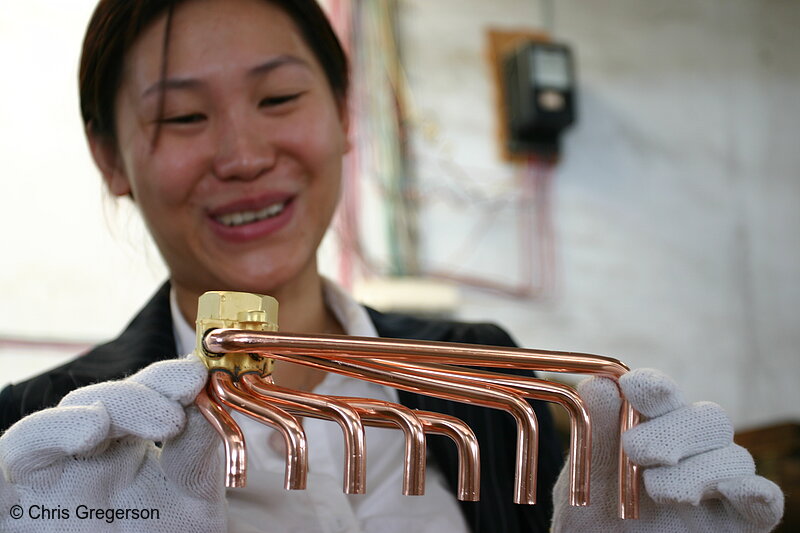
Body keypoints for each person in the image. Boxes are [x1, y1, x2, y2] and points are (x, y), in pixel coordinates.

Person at [0, 1, 784, 532]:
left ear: (342, 114)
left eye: (278, 99)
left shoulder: (482, 374)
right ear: (111, 157)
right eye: (183, 116)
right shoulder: (38, 438)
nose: (242, 155)